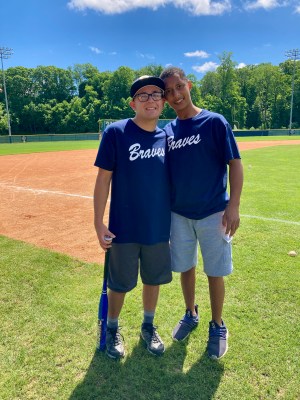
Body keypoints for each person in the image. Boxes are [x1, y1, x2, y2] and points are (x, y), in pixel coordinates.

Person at [159, 67, 244, 359]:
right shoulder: (167, 131)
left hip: (213, 213)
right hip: (179, 214)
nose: (175, 95)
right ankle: (190, 313)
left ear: (189, 85)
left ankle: (218, 324)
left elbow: (236, 163)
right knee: (185, 267)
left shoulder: (214, 122)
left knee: (215, 272)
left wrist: (233, 205)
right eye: (168, 91)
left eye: (178, 87)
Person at [93, 76, 172, 359]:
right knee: (119, 282)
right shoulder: (116, 132)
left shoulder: (169, 137)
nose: (150, 99)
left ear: (163, 102)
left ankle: (148, 326)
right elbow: (103, 180)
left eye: (155, 94)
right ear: (132, 103)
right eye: (143, 95)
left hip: (158, 226)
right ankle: (112, 327)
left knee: (153, 279)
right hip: (122, 226)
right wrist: (98, 222)